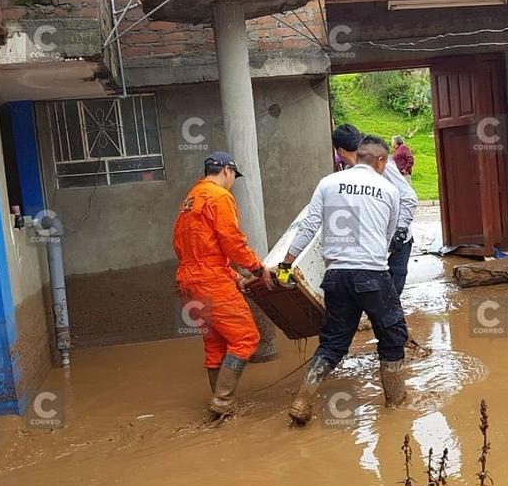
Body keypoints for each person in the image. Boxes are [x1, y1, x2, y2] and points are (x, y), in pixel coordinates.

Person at [280, 135, 410, 426]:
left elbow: (310, 225)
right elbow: (388, 238)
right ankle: (396, 404)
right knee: (392, 337)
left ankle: (303, 400)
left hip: (336, 276)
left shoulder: (328, 183)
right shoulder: (389, 190)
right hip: (374, 275)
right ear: (380, 161)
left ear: (356, 156)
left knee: (333, 342)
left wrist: (287, 263)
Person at [173, 152, 273, 418]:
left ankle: (221, 409)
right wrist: (257, 269)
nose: (233, 182)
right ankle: (223, 401)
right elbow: (232, 241)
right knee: (245, 337)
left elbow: (198, 252)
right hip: (211, 283)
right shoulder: (219, 197)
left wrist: (233, 276)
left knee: (215, 344)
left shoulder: (189, 200)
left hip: (189, 283)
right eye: (234, 177)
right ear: (227, 171)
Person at [334, 125, 418, 295]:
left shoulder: (380, 164)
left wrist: (399, 230)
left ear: (339, 150)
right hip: (370, 245)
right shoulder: (348, 172)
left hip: (397, 242)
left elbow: (408, 197)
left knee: (390, 299)